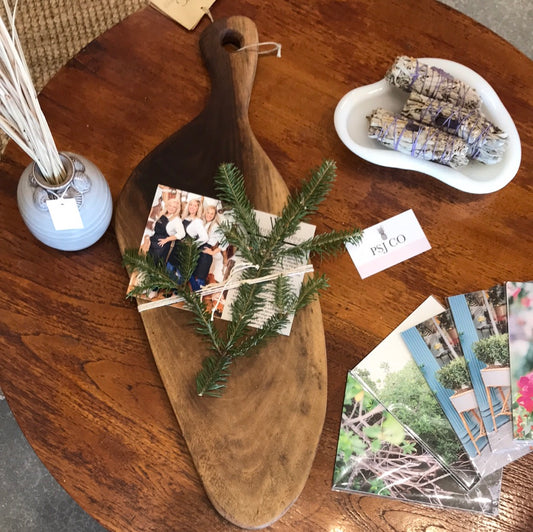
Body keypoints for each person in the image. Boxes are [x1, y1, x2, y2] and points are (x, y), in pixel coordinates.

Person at [191, 203, 227, 290]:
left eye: (212, 214)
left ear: (215, 216)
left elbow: (225, 242)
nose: (209, 215)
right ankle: (196, 295)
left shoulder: (215, 226)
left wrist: (213, 252)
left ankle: (197, 298)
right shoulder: (203, 223)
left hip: (205, 255)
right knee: (190, 273)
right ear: (205, 213)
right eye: (208, 212)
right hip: (197, 251)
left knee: (200, 279)